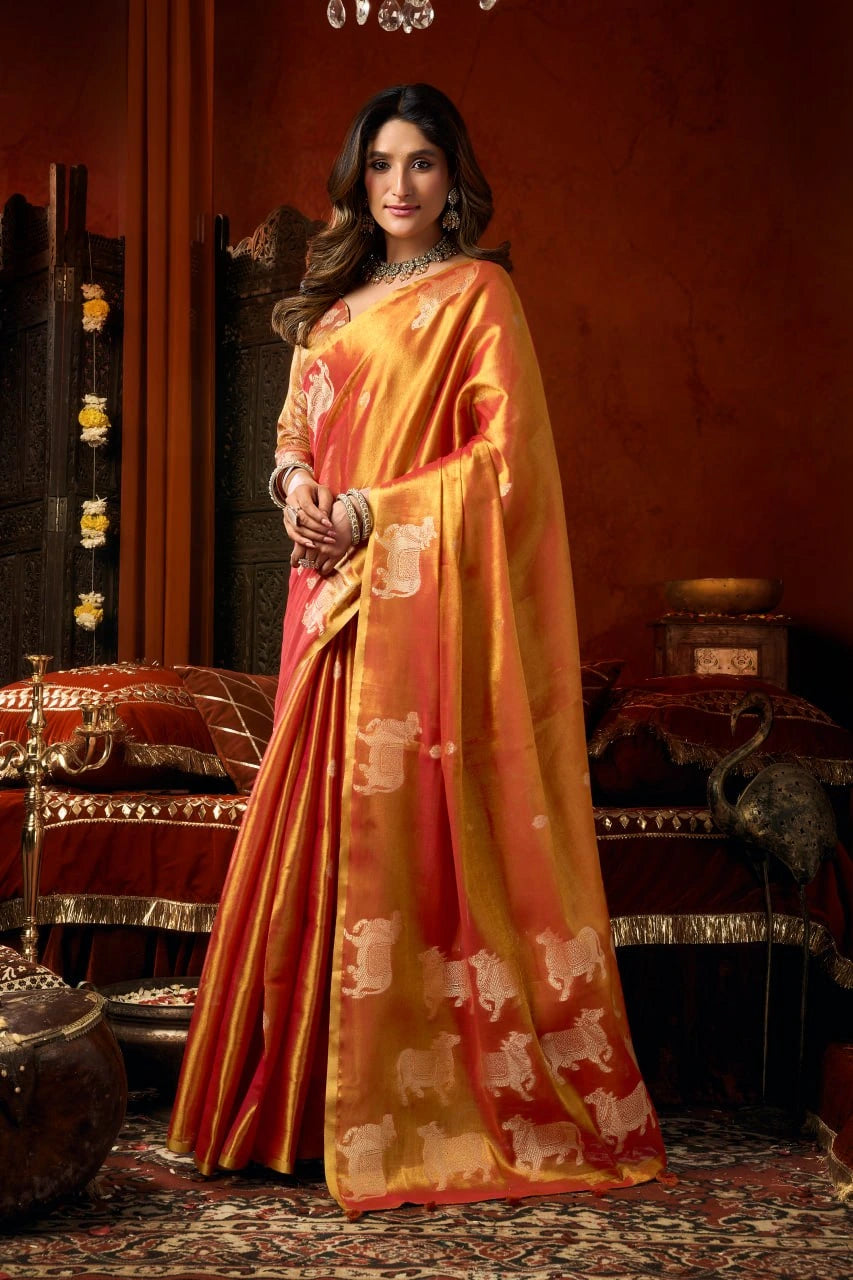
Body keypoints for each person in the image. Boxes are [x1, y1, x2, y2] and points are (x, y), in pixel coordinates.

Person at [168, 83, 666, 1211]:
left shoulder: (480, 294)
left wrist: (370, 513)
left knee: (406, 839)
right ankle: (289, 1106)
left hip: (409, 610)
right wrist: (295, 485)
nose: (399, 187)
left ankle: (415, 1100)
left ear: (454, 180)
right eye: (381, 165)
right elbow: (296, 427)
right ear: (357, 179)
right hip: (329, 604)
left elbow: (507, 466)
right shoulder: (331, 311)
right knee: (312, 834)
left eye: (423, 165)